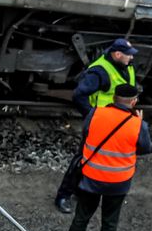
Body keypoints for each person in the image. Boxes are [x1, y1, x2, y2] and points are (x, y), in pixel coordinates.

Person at [58, 84, 152, 231]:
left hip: (90, 177)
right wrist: (141, 123)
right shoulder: (137, 124)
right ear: (134, 102)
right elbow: (144, 148)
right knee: (109, 224)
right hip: (118, 182)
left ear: (114, 98)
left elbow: (86, 136)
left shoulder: (95, 113)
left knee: (81, 218)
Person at [55, 38, 139, 213]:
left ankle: (79, 190)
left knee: (93, 159)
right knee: (83, 158)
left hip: (116, 123)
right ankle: (63, 196)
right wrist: (93, 116)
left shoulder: (125, 66)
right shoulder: (99, 72)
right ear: (117, 54)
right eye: (128, 55)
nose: (131, 58)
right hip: (100, 124)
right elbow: (79, 96)